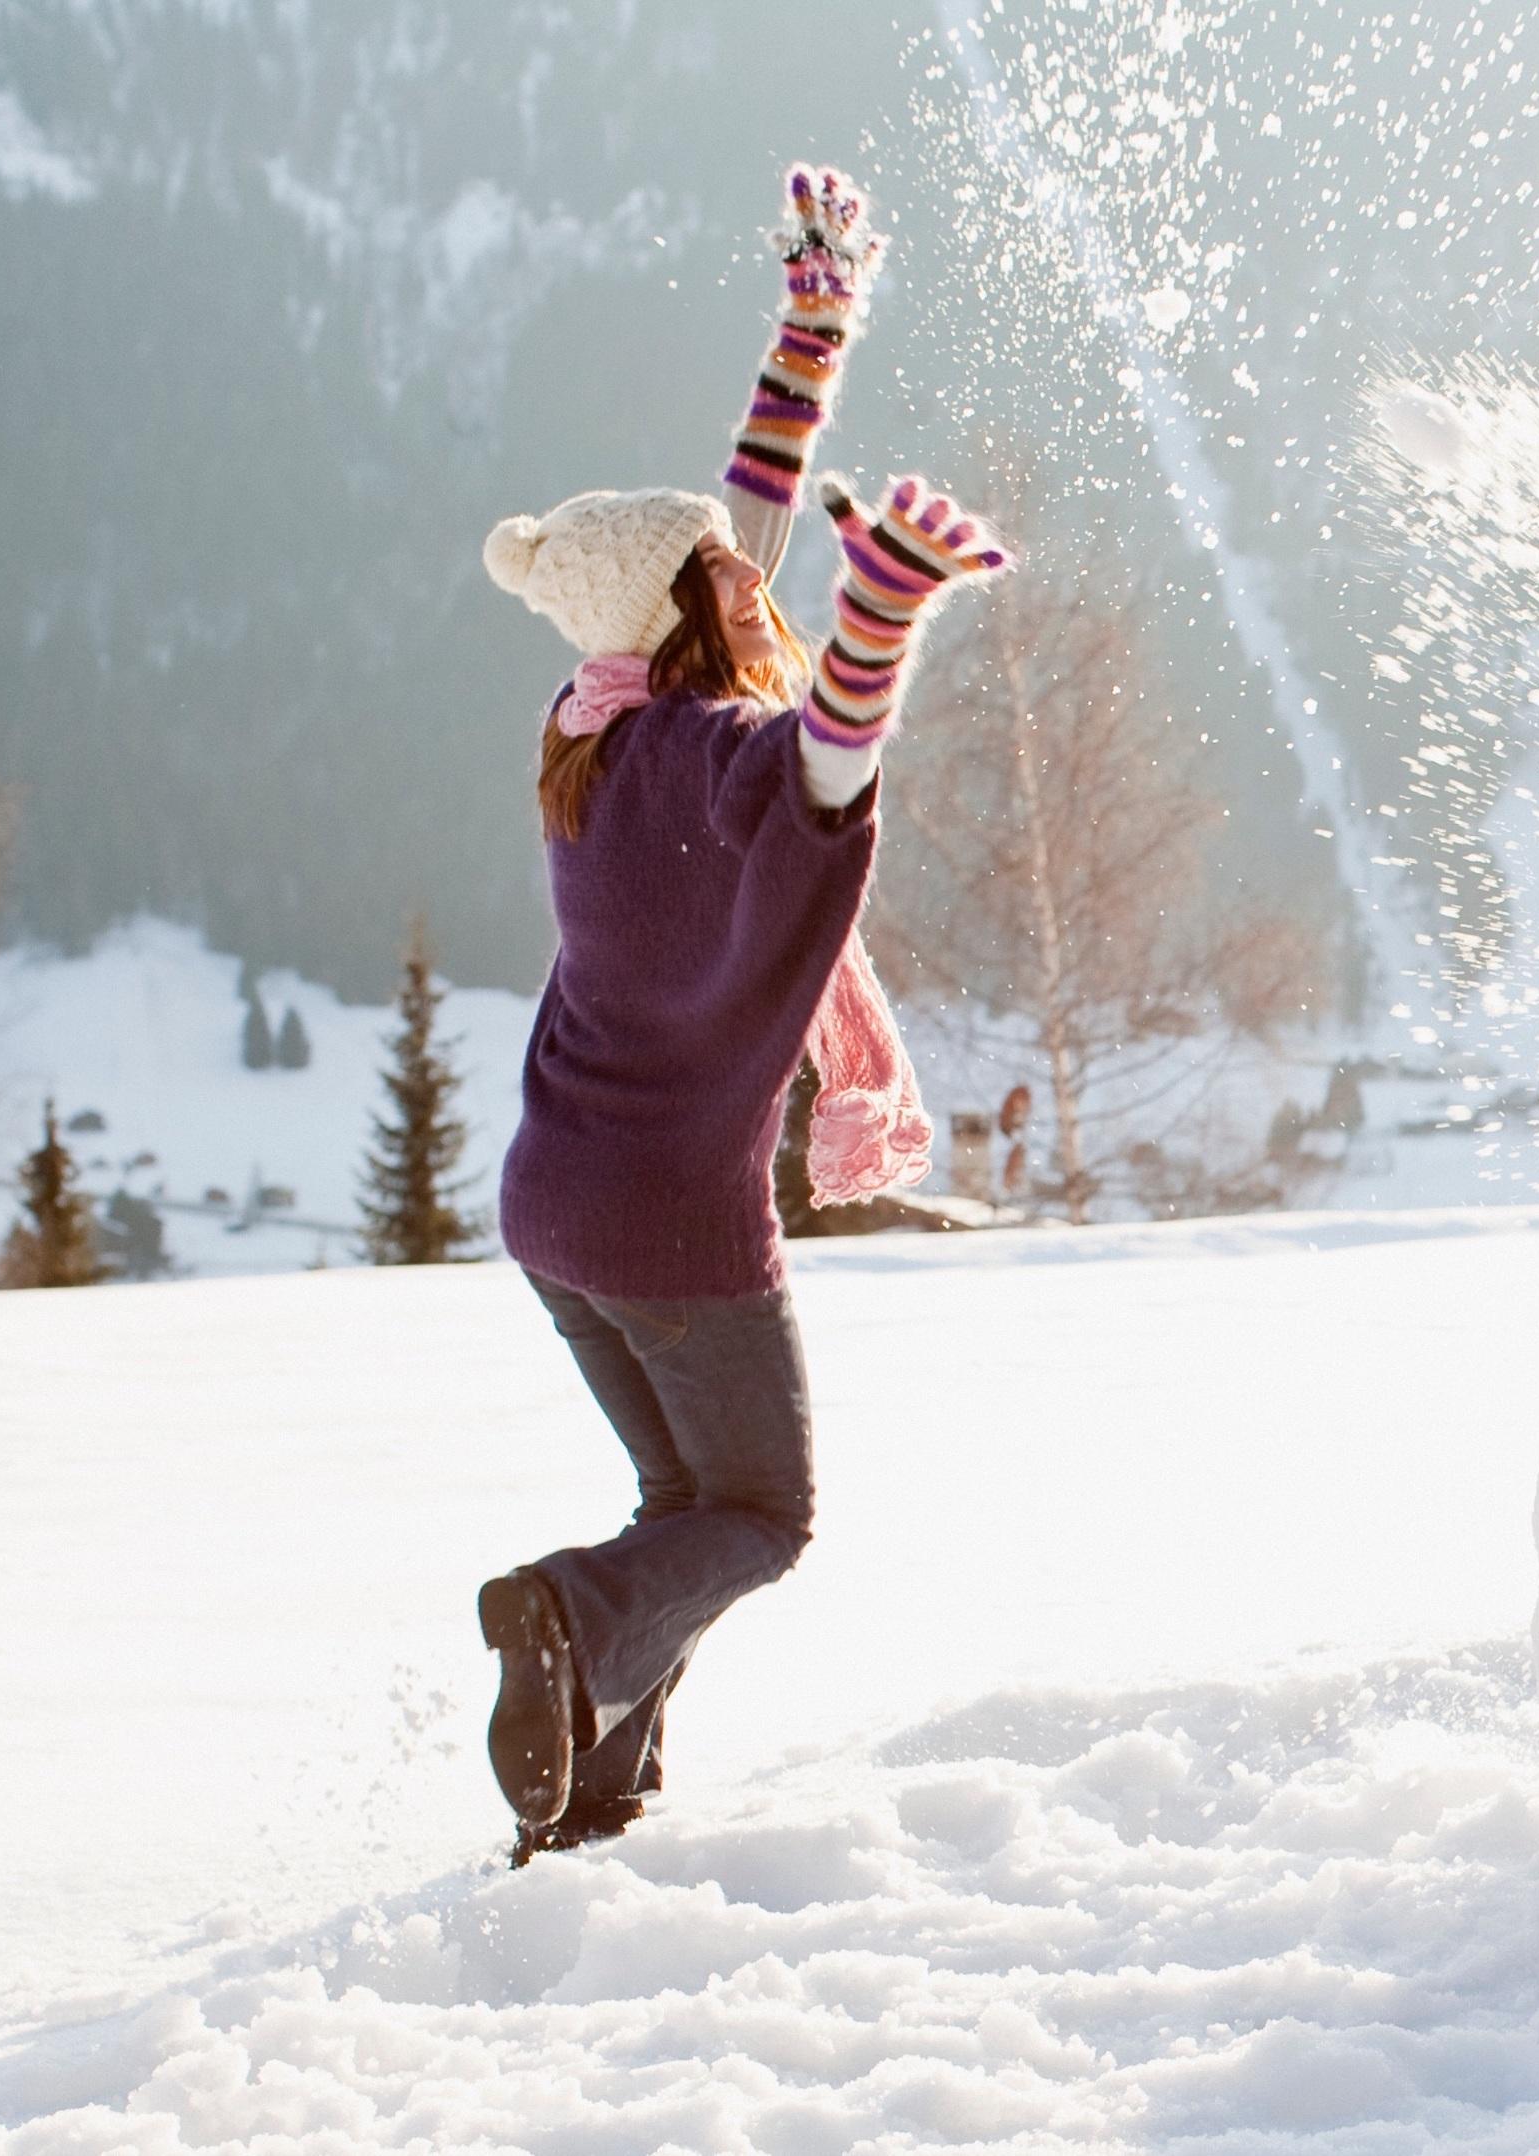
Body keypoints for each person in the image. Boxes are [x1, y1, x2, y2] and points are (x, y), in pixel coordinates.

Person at [469, 166, 1008, 1860]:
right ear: (706, 608)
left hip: (552, 1208)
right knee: (762, 1516)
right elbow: (832, 761)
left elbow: (740, 530)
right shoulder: (718, 768)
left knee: (681, 1511)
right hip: (669, 1229)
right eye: (729, 572)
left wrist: (815, 323)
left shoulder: (600, 729)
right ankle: (559, 1617)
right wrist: (889, 611)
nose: (742, 565)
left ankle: (593, 1794)